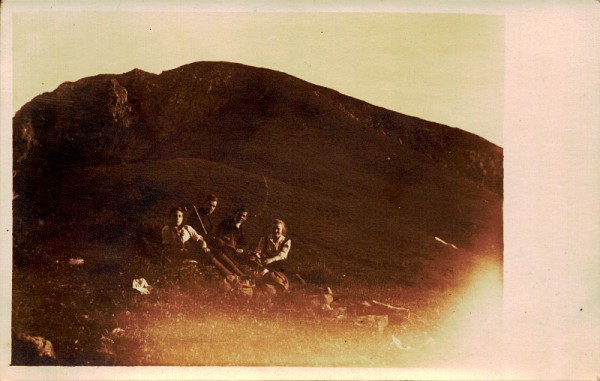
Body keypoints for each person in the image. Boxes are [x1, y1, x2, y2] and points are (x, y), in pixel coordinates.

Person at [161, 207, 235, 277]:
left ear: (182, 218)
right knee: (206, 254)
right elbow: (167, 246)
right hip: (180, 253)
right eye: (175, 216)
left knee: (216, 252)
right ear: (170, 217)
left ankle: (238, 274)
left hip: (193, 250)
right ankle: (230, 276)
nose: (177, 218)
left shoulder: (186, 228)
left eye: (180, 216)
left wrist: (203, 245)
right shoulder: (167, 230)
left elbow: (198, 238)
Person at [212, 206, 250, 276]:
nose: (241, 217)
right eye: (240, 214)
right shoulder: (225, 223)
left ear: (245, 218)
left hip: (234, 252)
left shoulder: (242, 229)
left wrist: (242, 249)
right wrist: (224, 241)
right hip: (222, 248)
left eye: (243, 216)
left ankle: (240, 273)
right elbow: (217, 236)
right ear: (236, 214)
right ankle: (239, 274)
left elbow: (245, 244)